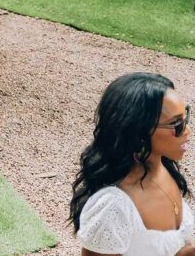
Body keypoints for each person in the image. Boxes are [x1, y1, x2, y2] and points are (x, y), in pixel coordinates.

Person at [70, 72, 194, 255]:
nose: (187, 130)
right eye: (176, 124)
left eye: (186, 117)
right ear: (138, 132)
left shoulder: (164, 169)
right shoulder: (114, 207)